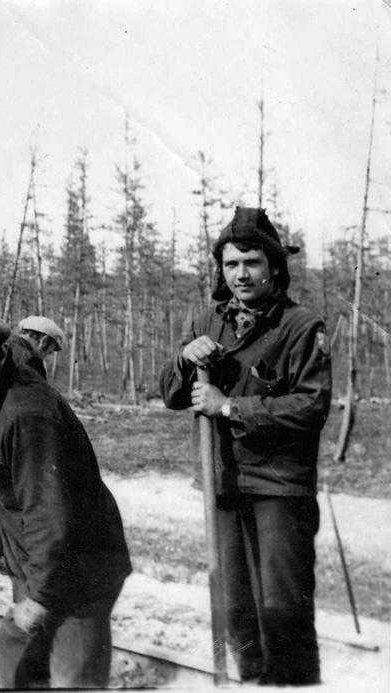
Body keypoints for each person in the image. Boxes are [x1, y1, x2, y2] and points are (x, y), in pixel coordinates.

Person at [159, 207, 332, 686]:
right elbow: (171, 395)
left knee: (281, 606)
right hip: (224, 482)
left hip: (280, 486)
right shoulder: (206, 321)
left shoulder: (301, 325)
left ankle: (291, 683)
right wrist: (184, 358)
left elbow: (311, 406)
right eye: (231, 264)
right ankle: (251, 680)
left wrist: (230, 407)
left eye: (252, 262)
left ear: (274, 266)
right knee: (233, 604)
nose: (242, 274)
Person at [0, 308, 131, 689]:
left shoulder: (26, 413)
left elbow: (47, 514)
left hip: (78, 575)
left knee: (73, 680)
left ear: (0, 357)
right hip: (47, 568)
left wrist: (38, 599)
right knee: (18, 662)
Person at [9, 315, 65, 379]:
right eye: (49, 352)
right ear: (44, 341)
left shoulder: (5, 344)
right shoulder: (30, 361)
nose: (45, 357)